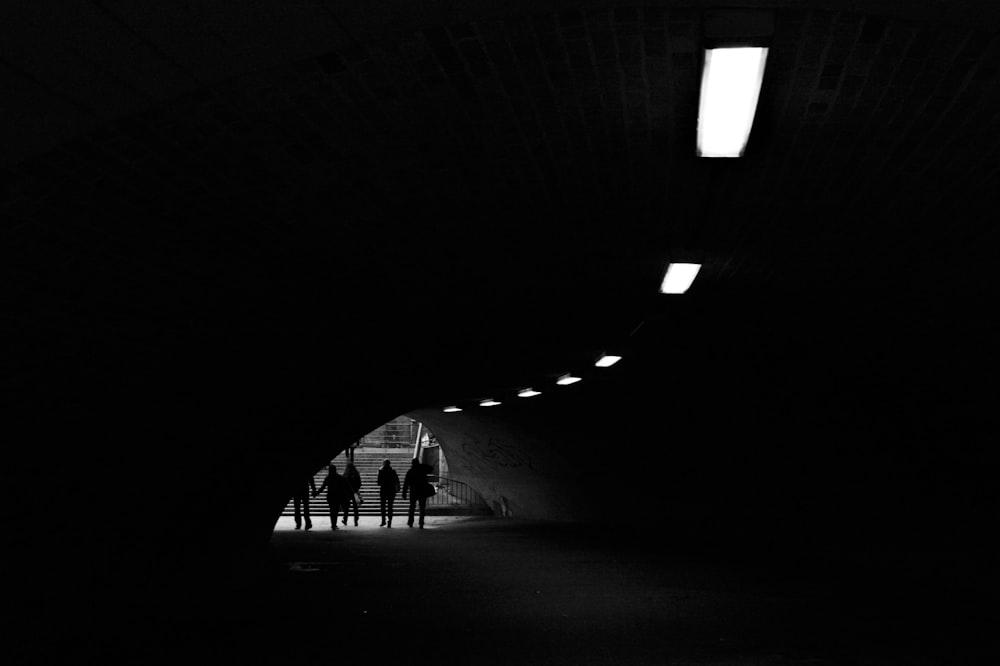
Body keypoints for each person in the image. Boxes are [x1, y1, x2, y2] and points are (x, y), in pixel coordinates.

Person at [314, 464, 351, 530]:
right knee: (335, 510)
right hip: (337, 496)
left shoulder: (328, 478)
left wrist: (316, 493)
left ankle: (333, 524)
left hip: (331, 496)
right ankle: (334, 524)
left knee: (332, 510)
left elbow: (322, 488)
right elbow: (344, 487)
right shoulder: (339, 477)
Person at [402, 458, 435, 529]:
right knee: (422, 508)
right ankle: (421, 522)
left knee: (412, 507)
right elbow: (431, 468)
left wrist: (404, 493)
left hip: (413, 491)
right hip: (422, 491)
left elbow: (406, 483)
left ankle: (410, 522)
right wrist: (421, 465)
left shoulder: (410, 471)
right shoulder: (422, 470)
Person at [376, 459, 400, 527]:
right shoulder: (393, 472)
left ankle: (383, 520)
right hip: (391, 491)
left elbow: (379, 482)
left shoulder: (381, 472)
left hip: (384, 490)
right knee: (390, 506)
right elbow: (396, 481)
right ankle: (390, 521)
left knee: (383, 506)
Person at [343, 461, 362, 527]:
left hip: (347, 492)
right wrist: (356, 489)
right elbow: (360, 483)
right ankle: (356, 521)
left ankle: (345, 520)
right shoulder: (356, 474)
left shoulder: (346, 474)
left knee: (346, 507)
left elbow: (343, 484)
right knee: (355, 507)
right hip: (354, 492)